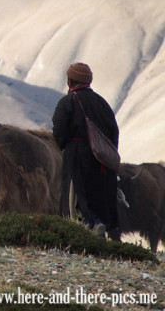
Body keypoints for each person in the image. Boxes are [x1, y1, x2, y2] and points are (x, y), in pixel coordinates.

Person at [52, 62, 120, 239]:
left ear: (70, 81)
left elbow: (59, 131)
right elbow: (114, 132)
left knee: (76, 196)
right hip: (102, 158)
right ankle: (101, 230)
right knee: (98, 195)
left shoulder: (68, 102)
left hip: (77, 155)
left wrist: (65, 147)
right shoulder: (102, 103)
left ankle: (87, 229)